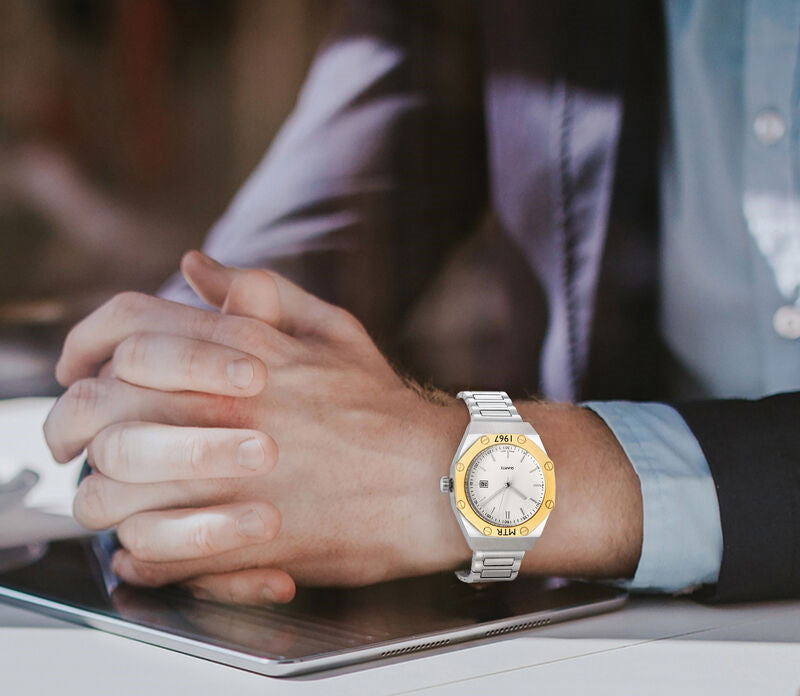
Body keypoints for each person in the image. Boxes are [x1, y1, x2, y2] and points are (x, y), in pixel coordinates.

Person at [43, 0, 800, 605]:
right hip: (615, 652)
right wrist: (182, 420)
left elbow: (431, 478)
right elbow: (297, 234)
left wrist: (442, 472)